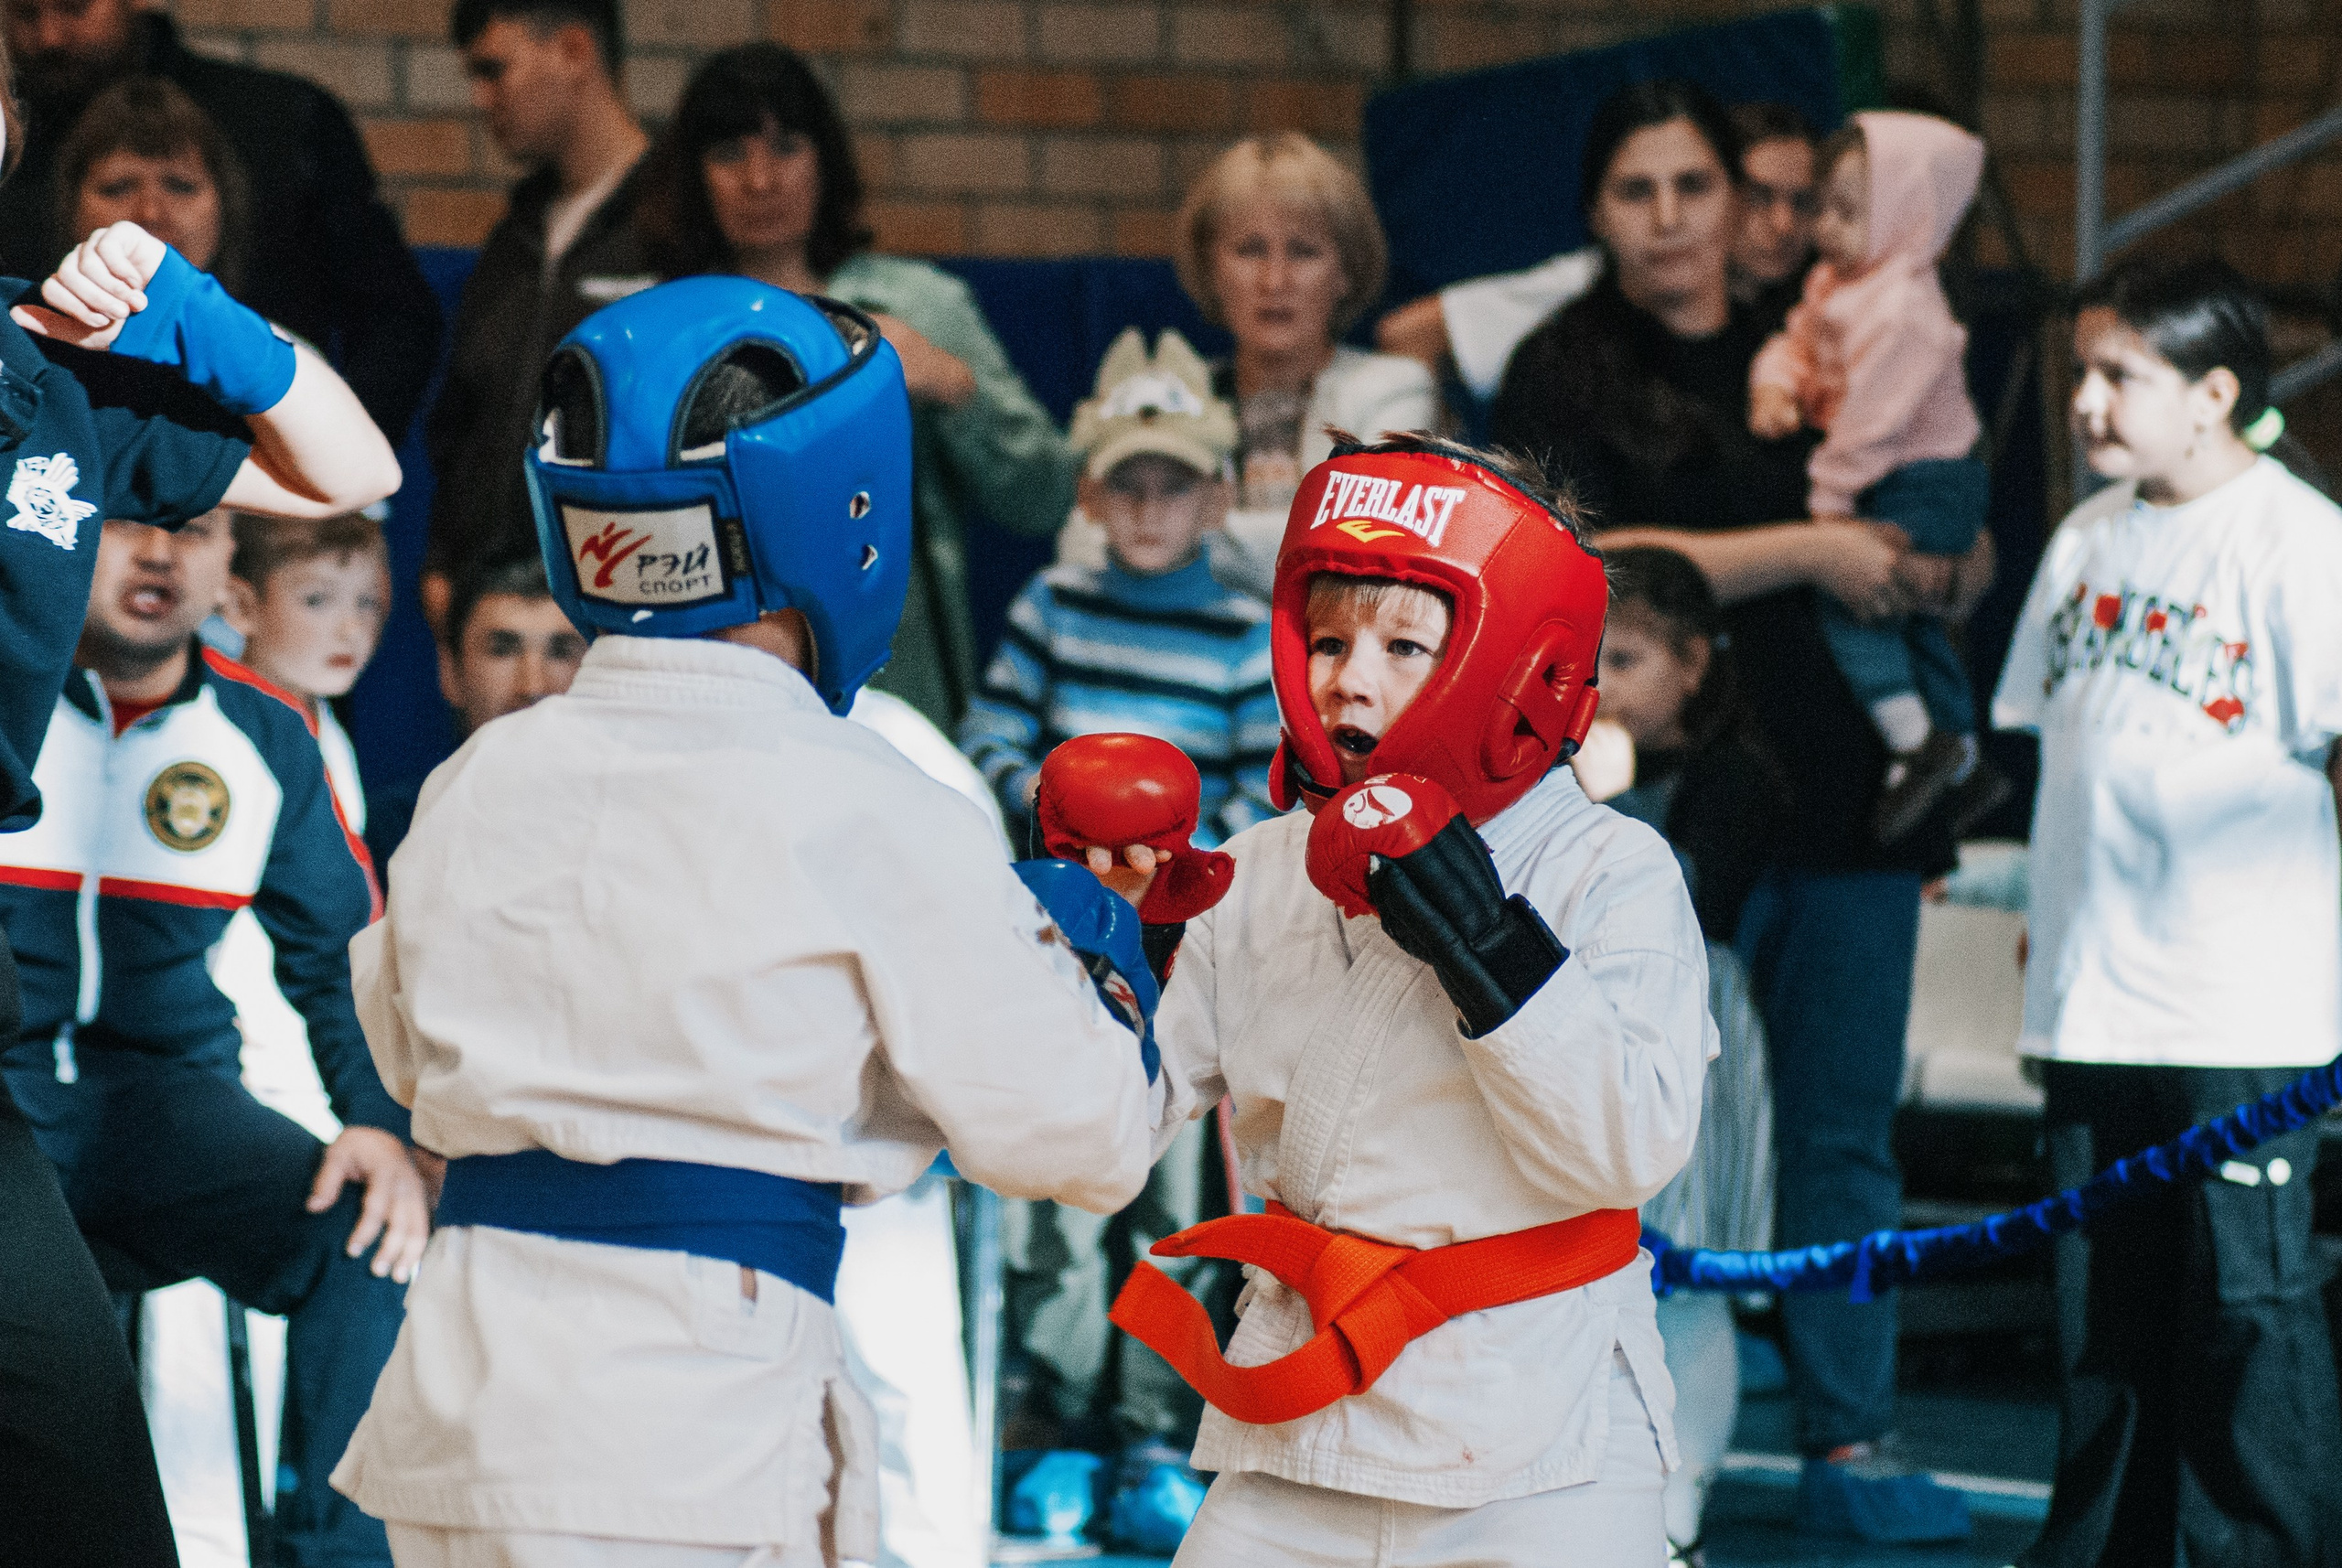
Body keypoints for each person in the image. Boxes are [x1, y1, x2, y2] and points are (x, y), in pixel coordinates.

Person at [331, 275, 1163, 1567]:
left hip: (458, 1411)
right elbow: (1083, 1137)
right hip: (692, 1442)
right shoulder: (870, 800)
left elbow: (399, 1050)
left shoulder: (474, 779)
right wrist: (1100, 960)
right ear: (847, 503)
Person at [1490, 79, 1985, 1543]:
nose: (1668, 221)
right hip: (1642, 816)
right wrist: (1812, 549)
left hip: (1841, 801)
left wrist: (1938, 565)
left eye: (1692, 187)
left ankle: (1850, 1431)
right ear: (1595, 212)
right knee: (1621, 1133)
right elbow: (1577, 557)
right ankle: (1604, 1427)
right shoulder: (1557, 365)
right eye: (1635, 192)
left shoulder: (1826, 338)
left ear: (1741, 202)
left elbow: (1926, 503)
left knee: (1841, 1135)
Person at [1065, 432, 1707, 1563]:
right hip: (1303, 1424)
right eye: (1325, 638)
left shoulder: (1610, 870)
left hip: (1543, 1432)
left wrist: (1487, 950)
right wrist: (1097, 949)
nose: (1347, 678)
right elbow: (1083, 1143)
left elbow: (1629, 1147)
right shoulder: (1260, 869)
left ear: (1523, 666)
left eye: (1404, 643)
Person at [0, 194, 398, 1567]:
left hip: (151, 1105)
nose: (157, 552)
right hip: (19, 1093)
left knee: (381, 1232)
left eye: (189, 535)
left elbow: (341, 952)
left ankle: (325, 1558)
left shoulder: (264, 733)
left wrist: (383, 1124)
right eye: (126, 529)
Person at [1992, 255, 2342, 1568]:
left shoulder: (2301, 539)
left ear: (2210, 393)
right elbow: (2069, 755)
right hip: (2092, 997)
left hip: (2240, 1000)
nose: (2086, 400)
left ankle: (2264, 1550)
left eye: (2118, 374)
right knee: (2102, 1310)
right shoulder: (2086, 538)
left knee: (2248, 1298)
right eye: (2082, 370)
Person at [636, 41, 1074, 730]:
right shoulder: (657, 333)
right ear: (694, 177)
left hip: (901, 697)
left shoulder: (918, 306)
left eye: (786, 147)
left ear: (825, 160)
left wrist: (955, 387)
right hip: (709, 694)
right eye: (729, 154)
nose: (760, 180)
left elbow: (1046, 497)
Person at [0, 0, 443, 443]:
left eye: (73, 9)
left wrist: (345, 481)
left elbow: (396, 320)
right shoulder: (48, 372)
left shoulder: (276, 120)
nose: (50, 36)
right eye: (25, 14)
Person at [1595, 545, 1788, 1565]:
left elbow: (1685, 894)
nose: (1599, 688)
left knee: (1689, 1273)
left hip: (1689, 1027)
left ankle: (1679, 1508)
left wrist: (1602, 800)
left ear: (1694, 663)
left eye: (1623, 660)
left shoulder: (1735, 773)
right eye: (1584, 663)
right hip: (1575, 1025)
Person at [1750, 113, 1998, 842]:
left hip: (1927, 478)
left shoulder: (1905, 311)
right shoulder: (1838, 282)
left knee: (1856, 601)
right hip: (1891, 471)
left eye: (1847, 211)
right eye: (1824, 206)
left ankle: (1917, 745)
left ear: (1906, 213)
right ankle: (1962, 753)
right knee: (1917, 626)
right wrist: (1774, 387)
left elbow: (1871, 422)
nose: (1822, 226)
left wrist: (1829, 510)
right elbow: (1792, 344)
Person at [1063, 134, 1438, 601]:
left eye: (1303, 252)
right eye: (1249, 250)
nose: (1274, 280)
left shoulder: (1394, 390)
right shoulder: (1167, 389)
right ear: (1212, 270)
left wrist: (1162, 537)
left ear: (1346, 272)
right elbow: (1081, 540)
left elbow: (1355, 551)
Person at [963, 327, 1275, 849]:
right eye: (1125, 486)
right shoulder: (1051, 603)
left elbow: (1267, 796)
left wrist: (1165, 863)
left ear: (1217, 502)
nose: (1147, 511)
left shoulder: (1250, 636)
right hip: (1060, 873)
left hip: (1193, 901)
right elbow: (983, 738)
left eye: (1175, 489)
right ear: (1089, 497)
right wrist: (1039, 799)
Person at [421, 0, 653, 630]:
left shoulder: (675, 226)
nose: (480, 97)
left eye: (494, 69)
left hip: (622, 607)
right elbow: (463, 424)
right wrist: (445, 564)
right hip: (491, 609)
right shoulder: (513, 238)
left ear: (574, 51)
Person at [1375, 101, 1819, 401]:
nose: (1783, 225)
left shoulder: (1823, 296)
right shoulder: (1604, 279)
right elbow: (1410, 333)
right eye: (1760, 196)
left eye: (1803, 202)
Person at [56, 75, 250, 293]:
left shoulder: (259, 329)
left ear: (226, 202)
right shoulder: (19, 324)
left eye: (180, 187)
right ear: (69, 206)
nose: (150, 214)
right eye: (118, 188)